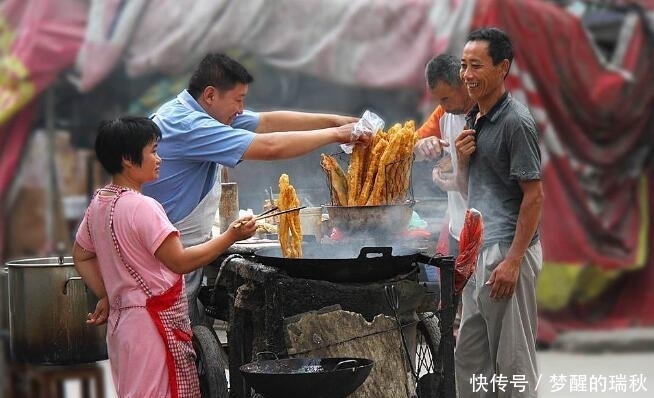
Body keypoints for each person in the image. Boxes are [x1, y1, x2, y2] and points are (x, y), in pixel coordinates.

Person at [141, 53, 369, 325]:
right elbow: (270, 146)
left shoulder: (201, 112)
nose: (241, 109)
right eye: (238, 100)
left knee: (184, 334)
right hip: (165, 259)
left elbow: (268, 122)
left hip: (182, 251)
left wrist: (337, 121)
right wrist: (336, 135)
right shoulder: (188, 124)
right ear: (211, 95)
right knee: (166, 341)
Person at [72, 116, 258, 397]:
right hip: (150, 330)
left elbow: (82, 255)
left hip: (122, 328)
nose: (159, 159)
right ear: (127, 159)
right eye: (153, 151)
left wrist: (109, 294)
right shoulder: (143, 207)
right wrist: (230, 236)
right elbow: (180, 261)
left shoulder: (100, 203)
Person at [454, 27, 544, 398]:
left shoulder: (515, 122)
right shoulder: (473, 118)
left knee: (512, 363)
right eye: (463, 65)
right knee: (470, 358)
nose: (467, 74)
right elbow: (470, 191)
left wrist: (513, 260)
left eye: (476, 65)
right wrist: (461, 161)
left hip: (507, 252)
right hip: (479, 250)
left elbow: (534, 196)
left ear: (502, 67)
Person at [415, 53, 474, 258]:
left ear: (463, 83)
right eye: (438, 100)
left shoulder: (489, 114)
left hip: (490, 236)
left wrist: (448, 182)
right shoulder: (444, 113)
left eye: (446, 98)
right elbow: (410, 150)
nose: (443, 105)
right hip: (458, 231)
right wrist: (423, 146)